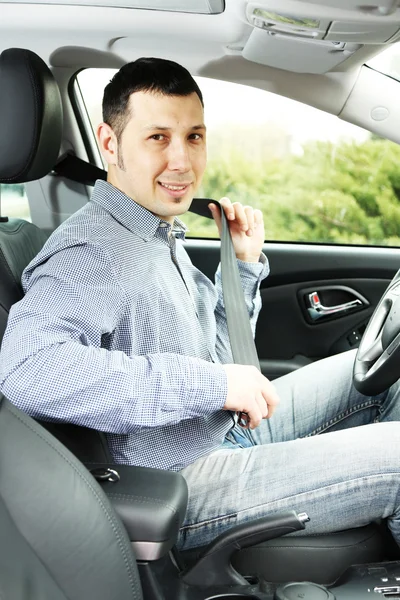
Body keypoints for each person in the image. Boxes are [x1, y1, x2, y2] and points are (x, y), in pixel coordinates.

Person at [2, 57, 400, 554]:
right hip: (178, 479)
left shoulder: (154, 229)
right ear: (109, 143)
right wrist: (214, 385)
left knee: (385, 375)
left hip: (221, 428)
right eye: (157, 138)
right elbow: (27, 369)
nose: (183, 162)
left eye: (194, 136)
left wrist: (244, 267)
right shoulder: (92, 250)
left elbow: (214, 356)